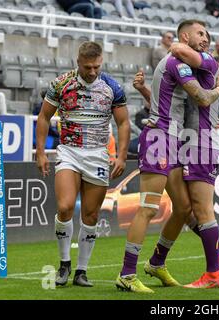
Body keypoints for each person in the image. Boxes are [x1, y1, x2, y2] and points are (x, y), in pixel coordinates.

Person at [115, 20, 219, 293]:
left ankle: (156, 263)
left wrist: (143, 90)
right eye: (200, 33)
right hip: (159, 138)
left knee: (184, 208)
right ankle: (127, 274)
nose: (205, 39)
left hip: (173, 139)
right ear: (184, 37)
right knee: (149, 207)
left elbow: (165, 100)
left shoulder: (178, 64)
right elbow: (200, 97)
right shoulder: (177, 62)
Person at [35, 41, 130, 287]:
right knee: (65, 206)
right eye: (87, 67)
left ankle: (81, 271)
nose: (92, 72)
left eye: (96, 66)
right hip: (69, 152)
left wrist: (120, 155)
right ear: (78, 63)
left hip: (98, 154)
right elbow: (44, 116)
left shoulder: (112, 87)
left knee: (91, 214)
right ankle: (64, 263)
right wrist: (41, 152)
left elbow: (123, 123)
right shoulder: (61, 84)